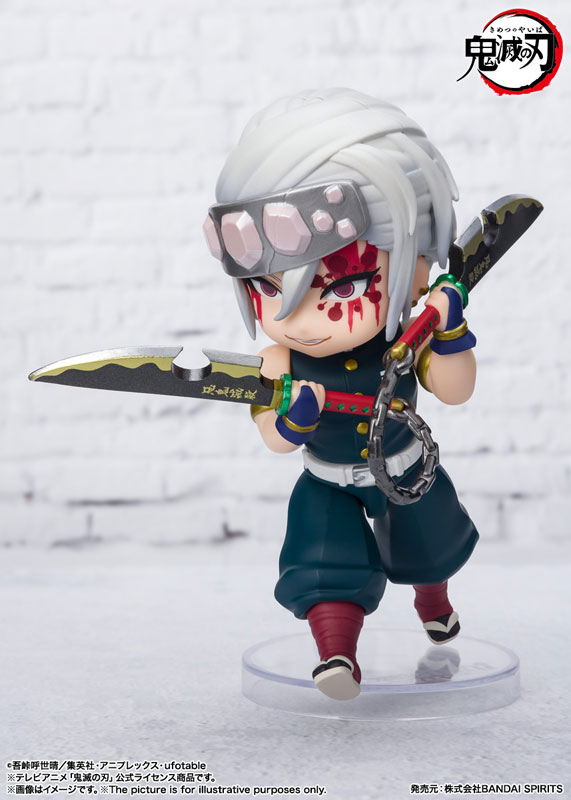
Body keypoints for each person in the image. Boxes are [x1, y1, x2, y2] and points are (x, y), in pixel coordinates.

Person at [203, 89, 479, 701]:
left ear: (412, 269)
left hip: (406, 466)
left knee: (428, 546)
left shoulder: (405, 340)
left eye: (342, 285)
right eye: (269, 290)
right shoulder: (278, 362)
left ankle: (433, 602)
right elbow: (274, 439)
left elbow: (455, 389)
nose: (296, 318)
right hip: (328, 478)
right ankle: (336, 655)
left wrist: (449, 331)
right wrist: (292, 421)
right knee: (325, 564)